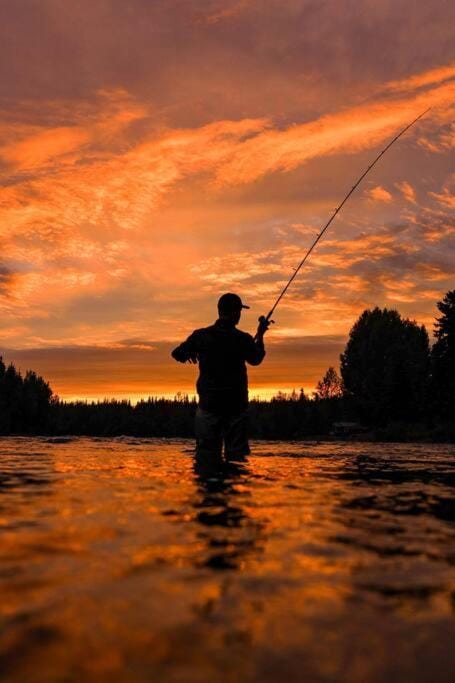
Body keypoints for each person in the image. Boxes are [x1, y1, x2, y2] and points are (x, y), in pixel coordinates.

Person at [171, 293, 269, 460]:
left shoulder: (201, 336)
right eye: (239, 311)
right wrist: (260, 334)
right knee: (237, 461)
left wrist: (190, 353)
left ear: (219, 311)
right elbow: (256, 358)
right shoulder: (242, 339)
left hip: (209, 406)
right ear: (236, 313)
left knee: (206, 460)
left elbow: (177, 353)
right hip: (236, 408)